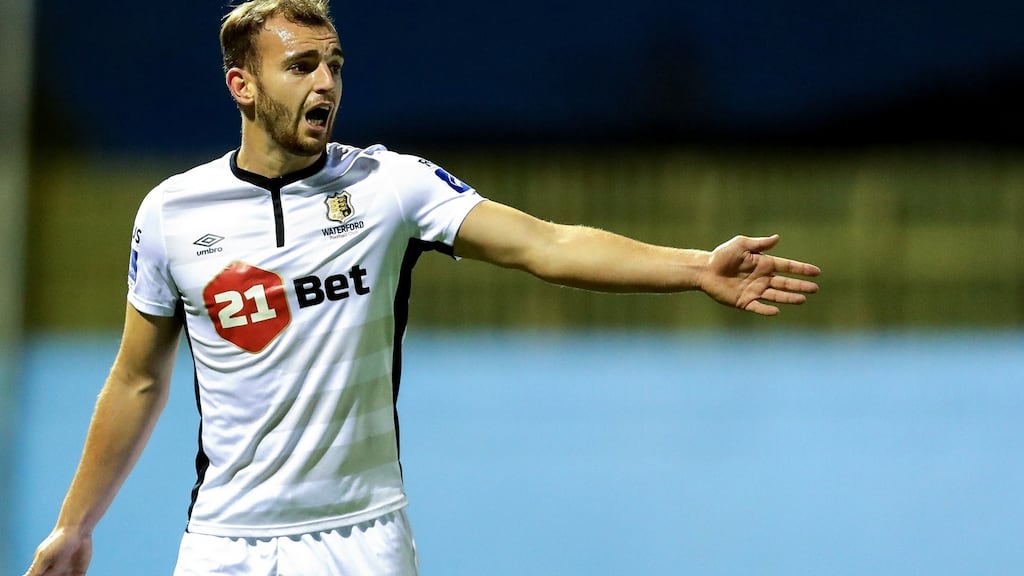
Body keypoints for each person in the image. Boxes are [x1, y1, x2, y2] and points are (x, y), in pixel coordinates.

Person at [23, 1, 820, 574]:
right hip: (223, 540)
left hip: (360, 537)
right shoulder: (170, 212)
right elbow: (135, 379)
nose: (325, 83)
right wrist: (75, 526)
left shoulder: (389, 185)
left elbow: (545, 244)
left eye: (334, 64)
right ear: (241, 84)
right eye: (300, 66)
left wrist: (693, 267)